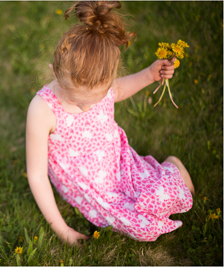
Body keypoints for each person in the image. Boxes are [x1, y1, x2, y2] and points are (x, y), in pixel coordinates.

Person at [25, 1, 193, 244]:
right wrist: (62, 230)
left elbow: (120, 90)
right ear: (55, 73)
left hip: (118, 165)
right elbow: (37, 176)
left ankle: (171, 169)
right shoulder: (42, 109)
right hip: (90, 189)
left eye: (97, 98)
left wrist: (148, 74)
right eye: (77, 99)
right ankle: (169, 174)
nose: (87, 108)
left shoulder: (103, 85)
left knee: (159, 199)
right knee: (144, 229)